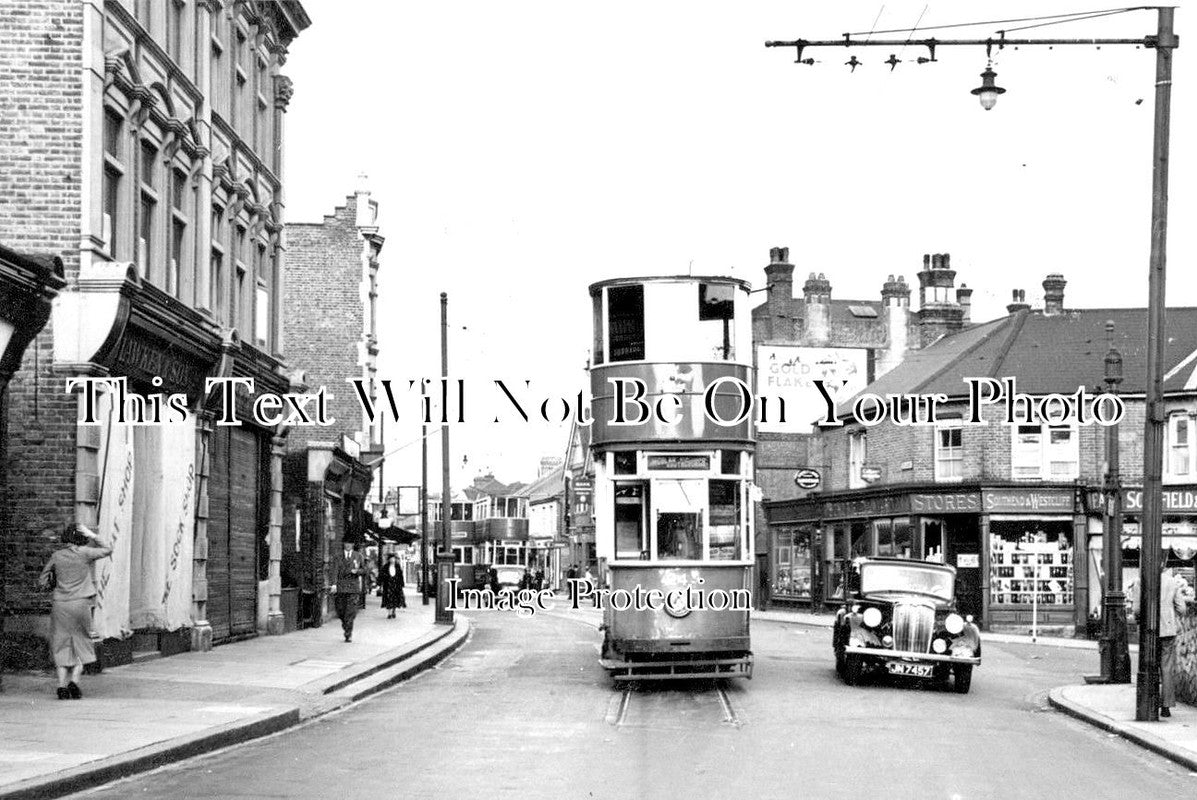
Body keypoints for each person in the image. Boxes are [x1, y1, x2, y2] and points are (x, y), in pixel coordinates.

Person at [38, 523, 112, 699]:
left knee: (61, 644)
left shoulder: (57, 556)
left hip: (61, 604)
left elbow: (43, 580)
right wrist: (92, 535)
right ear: (81, 537)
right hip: (80, 604)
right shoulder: (85, 553)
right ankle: (75, 681)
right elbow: (108, 549)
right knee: (82, 641)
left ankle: (62, 687)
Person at [1129, 558, 1195, 717]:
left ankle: (1149, 701)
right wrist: (1171, 616)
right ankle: (1166, 706)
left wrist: (1140, 621)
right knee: (1167, 668)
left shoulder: (1140, 582)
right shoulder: (1172, 582)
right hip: (1168, 630)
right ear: (1164, 566)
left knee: (1149, 666)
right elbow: (1182, 608)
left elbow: (1137, 610)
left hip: (1148, 632)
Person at [332, 539, 365, 642]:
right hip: (341, 587)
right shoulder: (338, 556)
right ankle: (345, 625)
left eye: (350, 543)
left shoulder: (358, 556)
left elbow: (364, 570)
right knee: (341, 611)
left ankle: (348, 633)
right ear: (344, 544)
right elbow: (334, 571)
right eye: (346, 543)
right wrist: (334, 584)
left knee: (350, 612)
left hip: (353, 588)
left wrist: (357, 571)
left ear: (353, 544)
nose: (348, 545)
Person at [379, 552, 405, 618]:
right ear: (389, 560)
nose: (392, 560)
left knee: (395, 599)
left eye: (393, 559)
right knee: (388, 599)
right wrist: (380, 584)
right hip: (388, 585)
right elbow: (381, 576)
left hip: (396, 585)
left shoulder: (398, 567)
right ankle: (389, 613)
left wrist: (401, 584)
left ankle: (393, 611)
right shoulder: (385, 567)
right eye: (391, 559)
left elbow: (400, 576)